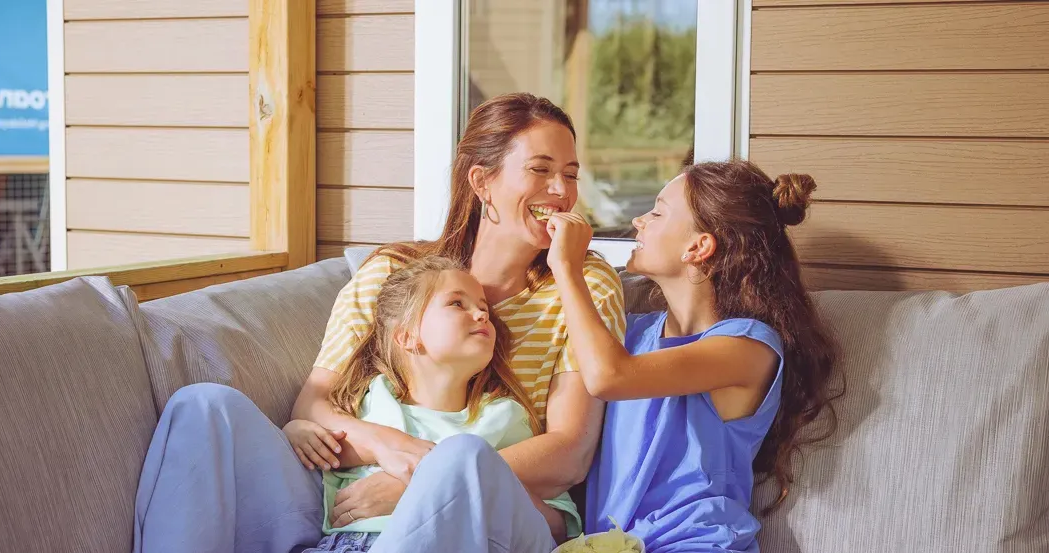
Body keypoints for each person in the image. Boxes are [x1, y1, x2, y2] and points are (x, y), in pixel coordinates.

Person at [132, 92, 627, 553]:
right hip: (347, 500)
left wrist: (422, 481)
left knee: (460, 457)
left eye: (571, 173)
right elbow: (316, 402)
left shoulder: (582, 283)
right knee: (203, 406)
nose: (561, 192)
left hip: (482, 503)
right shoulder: (394, 272)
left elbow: (568, 453)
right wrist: (395, 451)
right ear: (481, 182)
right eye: (540, 170)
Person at [545, 160, 843, 552]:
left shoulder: (748, 348)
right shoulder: (633, 333)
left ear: (698, 247)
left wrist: (566, 266)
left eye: (657, 212)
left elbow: (609, 377)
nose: (638, 221)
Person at [287, 256, 581, 552]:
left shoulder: (503, 418)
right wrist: (295, 431)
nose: (481, 314)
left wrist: (452, 487)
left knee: (465, 450)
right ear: (408, 336)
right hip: (341, 545)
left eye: (484, 308)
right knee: (237, 409)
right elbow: (325, 450)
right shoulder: (369, 400)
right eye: (457, 303)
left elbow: (556, 526)